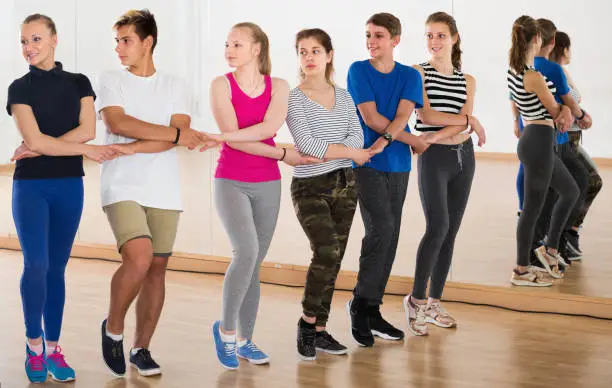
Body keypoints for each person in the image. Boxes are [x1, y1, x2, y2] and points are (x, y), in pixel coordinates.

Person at [7, 13, 120, 383]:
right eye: (24, 41)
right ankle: (33, 344)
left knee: (56, 269)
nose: (29, 48)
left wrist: (40, 148)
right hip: (31, 188)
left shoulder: (79, 83)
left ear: (54, 40)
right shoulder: (19, 88)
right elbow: (40, 139)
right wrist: (74, 150)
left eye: (36, 39)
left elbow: (88, 130)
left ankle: (54, 349)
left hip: (68, 185)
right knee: (36, 265)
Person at [97, 9, 209, 378]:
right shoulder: (111, 79)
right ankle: (113, 327)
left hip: (163, 186)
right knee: (140, 257)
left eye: (126, 40)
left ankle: (141, 348)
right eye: (117, 41)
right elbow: (118, 122)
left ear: (148, 42)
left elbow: (172, 134)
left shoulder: (176, 85)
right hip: (121, 183)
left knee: (157, 269)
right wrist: (171, 135)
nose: (119, 48)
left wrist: (137, 144)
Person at [208, 22, 319, 370]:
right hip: (230, 180)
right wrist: (283, 154)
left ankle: (245, 340)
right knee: (247, 250)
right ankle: (225, 332)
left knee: (253, 264)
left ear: (257, 48)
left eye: (237, 44)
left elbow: (267, 130)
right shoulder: (220, 85)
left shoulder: (280, 86)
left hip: (267, 183)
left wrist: (234, 137)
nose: (229, 50)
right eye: (227, 44)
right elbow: (233, 136)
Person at [286, 28, 373, 360]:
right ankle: (307, 324)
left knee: (334, 258)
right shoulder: (294, 98)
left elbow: (357, 141)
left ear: (329, 55)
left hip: (346, 185)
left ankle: (320, 331)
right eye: (303, 51)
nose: (309, 57)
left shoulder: (346, 96)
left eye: (315, 51)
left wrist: (341, 152)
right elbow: (307, 146)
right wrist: (349, 153)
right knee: (326, 251)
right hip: (310, 186)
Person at [346, 12, 428, 347]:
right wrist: (412, 140)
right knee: (380, 228)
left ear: (395, 39)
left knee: (390, 236)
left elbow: (402, 116)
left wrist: (388, 140)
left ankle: (373, 308)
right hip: (366, 161)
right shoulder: (358, 70)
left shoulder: (410, 75)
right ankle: (360, 305)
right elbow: (372, 118)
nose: (371, 41)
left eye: (379, 35)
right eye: (368, 34)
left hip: (397, 165)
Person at [403, 11, 486, 337]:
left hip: (463, 156)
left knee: (450, 231)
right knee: (437, 226)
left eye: (440, 35)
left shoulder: (468, 80)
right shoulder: (417, 73)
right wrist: (467, 122)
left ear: (454, 38)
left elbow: (463, 123)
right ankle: (416, 299)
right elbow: (425, 113)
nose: (434, 41)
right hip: (434, 159)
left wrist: (444, 131)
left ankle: (434, 301)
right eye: (429, 35)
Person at [507, 15, 578, 286]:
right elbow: (554, 108)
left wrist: (565, 111)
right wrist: (567, 110)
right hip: (537, 140)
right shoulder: (532, 76)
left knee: (569, 190)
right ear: (536, 39)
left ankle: (549, 249)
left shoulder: (514, 70)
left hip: (537, 140)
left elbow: (556, 109)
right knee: (531, 210)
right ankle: (521, 270)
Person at [529, 19, 591, 265]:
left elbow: (558, 102)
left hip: (551, 137)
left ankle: (551, 245)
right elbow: (564, 101)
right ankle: (551, 245)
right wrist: (579, 115)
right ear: (552, 42)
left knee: (561, 191)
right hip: (553, 138)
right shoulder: (550, 69)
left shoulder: (527, 67)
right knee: (570, 188)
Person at [550, 30, 602, 258]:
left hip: (573, 138)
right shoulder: (555, 73)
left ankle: (569, 234)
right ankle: (566, 235)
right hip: (564, 141)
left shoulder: (563, 72)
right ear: (562, 48)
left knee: (587, 183)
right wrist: (581, 116)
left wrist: (582, 115)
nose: (571, 52)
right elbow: (564, 103)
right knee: (590, 182)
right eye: (569, 47)